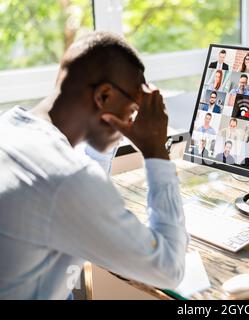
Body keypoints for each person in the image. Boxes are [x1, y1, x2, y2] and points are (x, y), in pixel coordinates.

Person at [0, 32, 188, 299]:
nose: (131, 123)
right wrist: (155, 150)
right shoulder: (67, 179)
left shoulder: (9, 127)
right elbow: (170, 270)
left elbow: (80, 192)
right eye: (133, 109)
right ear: (104, 96)